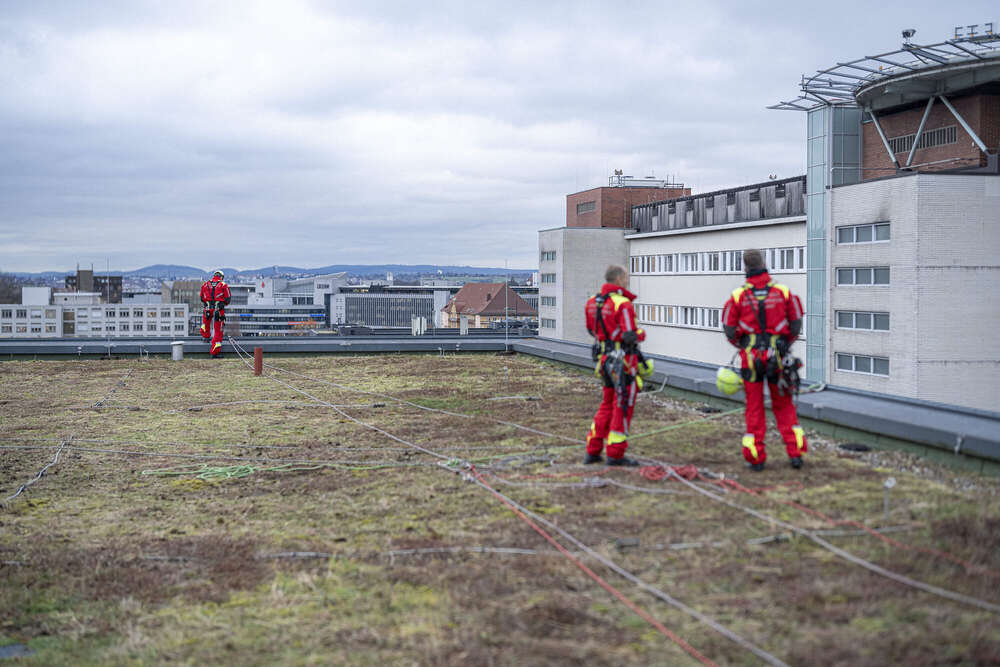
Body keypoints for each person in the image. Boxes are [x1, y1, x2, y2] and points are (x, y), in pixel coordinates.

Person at [722, 249, 807, 471]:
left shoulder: (738, 296)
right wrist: (784, 344)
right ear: (764, 263)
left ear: (745, 267)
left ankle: (756, 458)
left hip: (751, 360)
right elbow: (796, 323)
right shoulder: (783, 292)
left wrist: (745, 347)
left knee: (754, 408)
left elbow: (729, 329)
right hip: (778, 358)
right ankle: (796, 453)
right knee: (784, 405)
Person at [583, 265, 652, 467]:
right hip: (624, 362)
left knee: (607, 404)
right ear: (619, 279)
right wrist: (641, 334)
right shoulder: (622, 304)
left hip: (604, 360)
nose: (628, 281)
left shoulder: (592, 302)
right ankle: (615, 453)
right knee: (622, 406)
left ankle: (593, 449)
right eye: (626, 277)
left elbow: (591, 330)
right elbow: (630, 335)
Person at [200, 270, 231, 358]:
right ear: (221, 277)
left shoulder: (205, 284)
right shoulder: (223, 285)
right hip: (219, 310)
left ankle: (205, 337)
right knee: (218, 330)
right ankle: (215, 352)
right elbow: (228, 299)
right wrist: (222, 303)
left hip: (208, 308)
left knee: (205, 324)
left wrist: (208, 302)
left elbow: (202, 298)